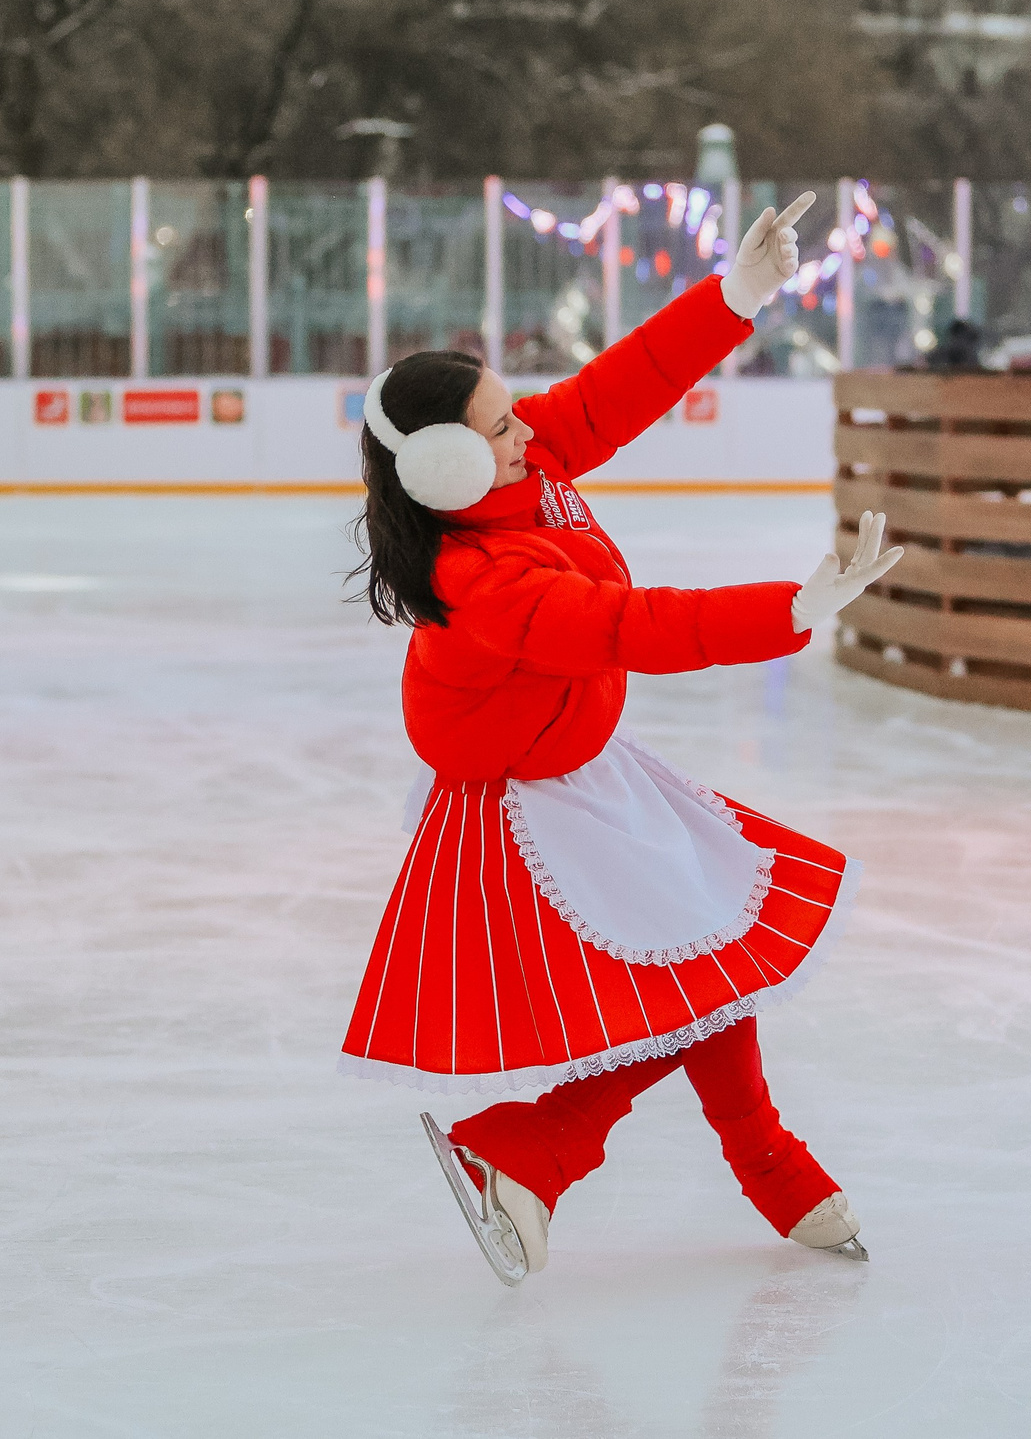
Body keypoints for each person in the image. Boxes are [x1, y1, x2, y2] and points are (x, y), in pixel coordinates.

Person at [338, 193, 903, 1286]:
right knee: (698, 974)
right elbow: (628, 629)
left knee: (706, 968)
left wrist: (735, 298)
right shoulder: (481, 580)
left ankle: (640, 1161)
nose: (527, 430)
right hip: (525, 804)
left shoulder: (527, 468)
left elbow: (623, 386)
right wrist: (788, 608)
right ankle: (562, 1150)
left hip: (581, 763)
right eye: (500, 427)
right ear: (450, 468)